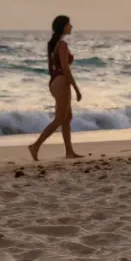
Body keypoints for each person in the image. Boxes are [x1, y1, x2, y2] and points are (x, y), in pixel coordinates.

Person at [28, 15, 83, 160]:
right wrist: (76, 89)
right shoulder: (62, 45)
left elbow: (52, 67)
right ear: (63, 26)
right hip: (61, 81)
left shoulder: (53, 44)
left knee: (67, 118)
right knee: (60, 118)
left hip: (54, 81)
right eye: (69, 24)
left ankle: (69, 152)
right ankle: (35, 146)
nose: (71, 26)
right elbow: (66, 68)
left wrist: (56, 82)